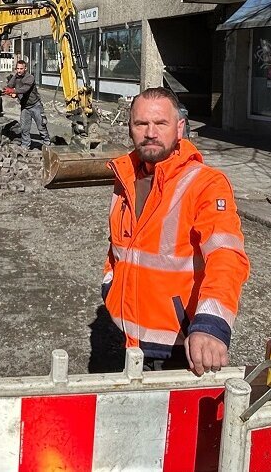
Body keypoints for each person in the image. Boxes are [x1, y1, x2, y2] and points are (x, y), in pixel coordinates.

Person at [101, 87, 249, 376]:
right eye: (141, 124)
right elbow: (118, 248)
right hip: (127, 337)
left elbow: (226, 255)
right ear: (130, 128)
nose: (150, 132)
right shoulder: (125, 177)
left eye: (161, 123)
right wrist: (110, 286)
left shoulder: (205, 184)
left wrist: (211, 325)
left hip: (176, 346)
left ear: (179, 128)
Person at [4, 59, 50, 148]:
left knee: (41, 127)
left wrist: (14, 91)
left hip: (35, 105)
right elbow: (9, 86)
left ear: (25, 69)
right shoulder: (16, 77)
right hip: (25, 107)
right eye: (17, 68)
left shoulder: (30, 77)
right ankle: (25, 146)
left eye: (21, 68)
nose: (19, 70)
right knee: (24, 128)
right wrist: (8, 91)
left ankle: (47, 144)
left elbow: (25, 89)